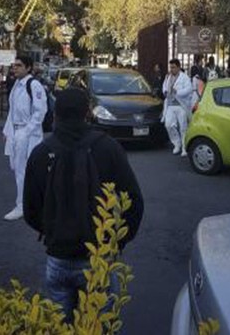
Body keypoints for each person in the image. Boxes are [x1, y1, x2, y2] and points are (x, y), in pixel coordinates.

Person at [23, 87, 144, 324]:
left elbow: (30, 209)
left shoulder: (41, 153)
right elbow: (134, 201)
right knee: (101, 324)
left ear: (55, 115)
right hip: (98, 258)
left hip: (58, 257)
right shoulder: (108, 147)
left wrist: (51, 230)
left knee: (59, 325)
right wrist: (117, 240)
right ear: (87, 113)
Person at [2, 55, 48, 221]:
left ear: (28, 68)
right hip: (16, 132)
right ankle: (29, 203)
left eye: (19, 65)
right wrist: (7, 131)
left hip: (27, 133)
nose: (15, 68)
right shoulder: (17, 85)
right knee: (18, 168)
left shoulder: (33, 85)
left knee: (25, 171)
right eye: (14, 65)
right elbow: (12, 110)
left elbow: (40, 111)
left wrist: (27, 132)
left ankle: (22, 206)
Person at [162, 59, 193, 156]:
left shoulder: (184, 77)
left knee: (183, 127)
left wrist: (178, 92)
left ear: (179, 67)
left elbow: (189, 89)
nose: (171, 69)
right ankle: (177, 144)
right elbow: (164, 87)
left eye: (173, 67)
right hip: (170, 105)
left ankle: (184, 148)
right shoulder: (168, 77)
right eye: (170, 67)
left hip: (181, 105)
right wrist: (165, 91)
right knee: (168, 125)